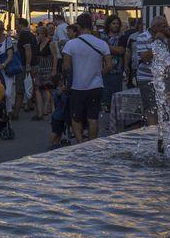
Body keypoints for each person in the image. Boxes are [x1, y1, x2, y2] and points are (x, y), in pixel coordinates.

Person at [61, 13, 111, 142]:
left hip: (78, 86)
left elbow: (66, 67)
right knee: (92, 118)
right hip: (96, 85)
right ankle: (92, 143)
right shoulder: (102, 43)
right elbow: (109, 66)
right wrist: (98, 74)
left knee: (76, 118)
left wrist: (64, 83)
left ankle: (80, 143)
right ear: (92, 25)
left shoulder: (71, 44)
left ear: (78, 25)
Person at [129, 16, 170, 127]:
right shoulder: (142, 37)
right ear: (155, 27)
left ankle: (161, 131)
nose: (166, 28)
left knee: (162, 107)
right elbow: (145, 58)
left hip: (161, 77)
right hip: (147, 78)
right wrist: (156, 41)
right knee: (151, 108)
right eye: (164, 26)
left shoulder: (165, 37)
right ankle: (152, 132)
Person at [101, 15, 127, 113]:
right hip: (102, 69)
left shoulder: (122, 36)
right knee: (105, 97)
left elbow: (121, 50)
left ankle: (114, 120)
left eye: (117, 24)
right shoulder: (101, 35)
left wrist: (105, 46)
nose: (116, 25)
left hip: (116, 70)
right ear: (108, 24)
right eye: (114, 23)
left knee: (115, 96)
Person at [34, 23, 59, 118]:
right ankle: (40, 112)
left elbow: (55, 57)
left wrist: (54, 69)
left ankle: (45, 108)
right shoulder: (38, 43)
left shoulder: (51, 43)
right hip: (39, 68)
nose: (37, 36)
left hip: (48, 68)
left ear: (43, 34)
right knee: (38, 88)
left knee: (47, 88)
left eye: (38, 34)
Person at [14, 18, 37, 120]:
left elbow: (28, 50)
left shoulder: (24, 35)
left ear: (21, 25)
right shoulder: (31, 35)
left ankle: (16, 113)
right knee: (31, 87)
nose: (16, 26)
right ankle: (30, 104)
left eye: (17, 24)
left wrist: (27, 64)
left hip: (24, 65)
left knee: (20, 89)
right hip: (33, 64)